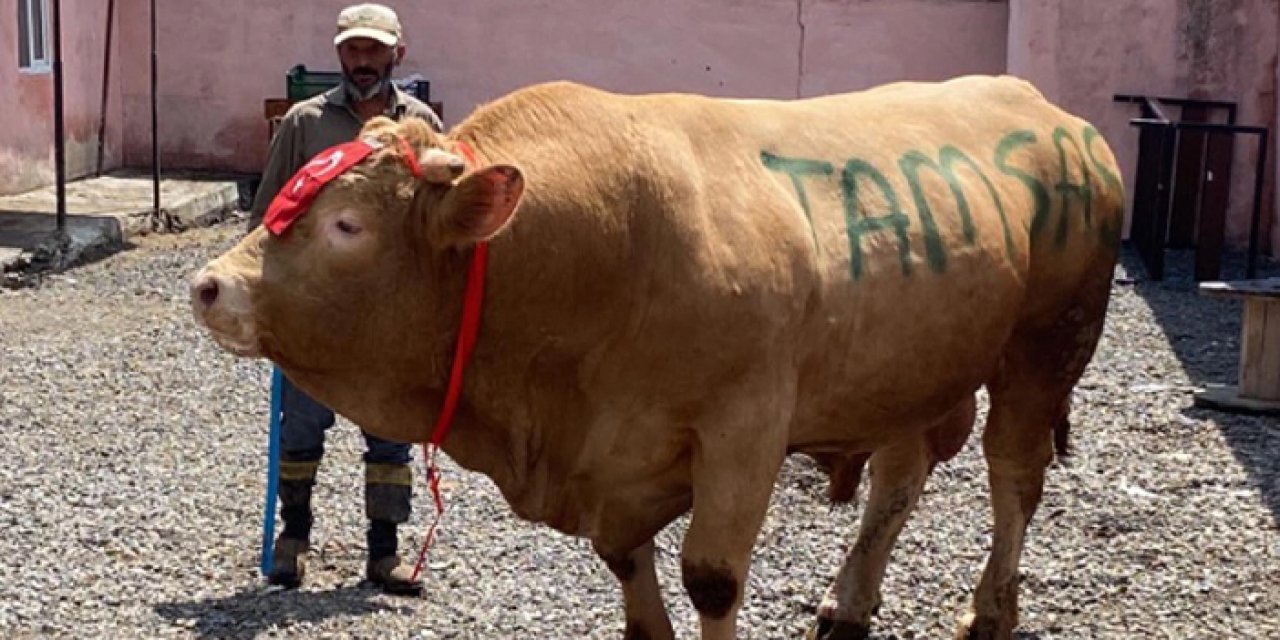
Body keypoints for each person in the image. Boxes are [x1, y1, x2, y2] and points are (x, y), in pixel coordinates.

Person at [246, 2, 443, 596]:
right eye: (354, 50)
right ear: (339, 54)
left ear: (397, 54)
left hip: (389, 313)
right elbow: (268, 216)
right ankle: (293, 539)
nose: (363, 61)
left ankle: (384, 555)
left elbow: (436, 222)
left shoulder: (421, 124)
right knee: (301, 425)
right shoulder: (305, 125)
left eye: (374, 50)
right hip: (316, 308)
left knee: (391, 429)